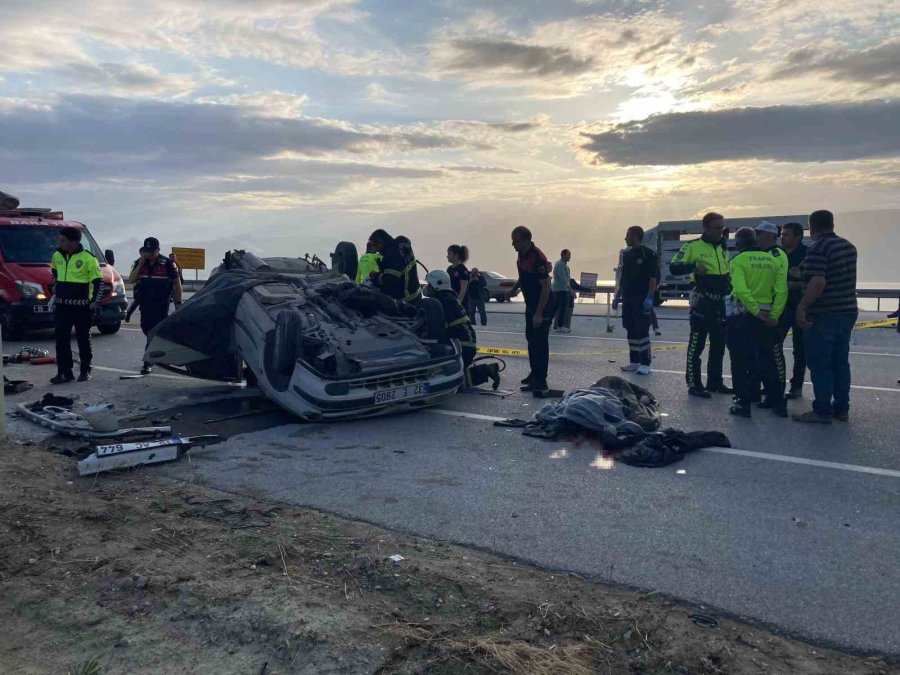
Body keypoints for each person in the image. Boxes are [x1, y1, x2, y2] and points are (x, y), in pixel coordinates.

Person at [793, 210, 858, 424]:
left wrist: (802, 307)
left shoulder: (818, 248)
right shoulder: (848, 246)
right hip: (847, 310)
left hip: (823, 314)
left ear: (812, 227)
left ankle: (821, 410)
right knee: (841, 362)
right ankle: (841, 408)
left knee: (820, 363)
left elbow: (818, 282)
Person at [725, 227, 787, 418]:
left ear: (738, 244)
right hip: (767, 317)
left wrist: (754, 310)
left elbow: (741, 290)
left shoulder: (738, 260)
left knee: (739, 361)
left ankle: (743, 404)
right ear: (756, 241)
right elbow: (782, 291)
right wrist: (774, 315)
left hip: (742, 316)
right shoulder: (772, 260)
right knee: (767, 360)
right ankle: (778, 403)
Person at [670, 212, 733, 398]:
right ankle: (694, 383)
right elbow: (674, 267)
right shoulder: (692, 246)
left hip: (720, 303)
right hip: (702, 303)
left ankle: (715, 382)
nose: (720, 231)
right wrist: (694, 267)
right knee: (696, 345)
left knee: (719, 344)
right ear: (705, 228)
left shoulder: (723, 248)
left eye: (722, 227)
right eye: (716, 228)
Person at [424, 269, 500, 389]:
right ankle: (488, 370)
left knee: (449, 383)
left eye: (429, 285)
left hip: (460, 347)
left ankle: (486, 371)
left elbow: (437, 330)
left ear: (436, 286)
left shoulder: (443, 302)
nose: (427, 288)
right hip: (465, 344)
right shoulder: (450, 298)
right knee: (454, 378)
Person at [49, 226, 102, 384]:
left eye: (63, 240)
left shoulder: (89, 259)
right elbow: (54, 274)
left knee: (83, 339)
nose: (60, 243)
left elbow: (99, 283)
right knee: (61, 340)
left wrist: (94, 302)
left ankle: (85, 370)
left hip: (82, 307)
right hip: (62, 306)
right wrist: (54, 288)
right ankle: (64, 372)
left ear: (74, 242)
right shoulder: (57, 255)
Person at [506, 226, 552, 393]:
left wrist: (539, 313)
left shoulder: (537, 257)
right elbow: (523, 276)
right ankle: (534, 374)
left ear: (525, 240)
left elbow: (546, 287)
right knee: (531, 340)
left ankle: (542, 380)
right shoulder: (522, 255)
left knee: (540, 342)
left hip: (543, 305)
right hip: (531, 304)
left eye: (516, 241)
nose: (513, 244)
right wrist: (513, 289)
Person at [128, 237, 182, 375]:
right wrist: (140, 265)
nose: (148, 254)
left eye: (151, 251)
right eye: (146, 251)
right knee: (147, 330)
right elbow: (132, 279)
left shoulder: (168, 264)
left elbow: (177, 284)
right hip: (145, 304)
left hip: (161, 304)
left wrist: (178, 304)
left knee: (153, 332)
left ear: (158, 250)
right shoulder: (139, 263)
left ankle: (148, 362)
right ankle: (161, 354)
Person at [750, 221, 789, 406]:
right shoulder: (760, 255)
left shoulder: (776, 254)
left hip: (773, 312)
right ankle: (762, 390)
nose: (756, 238)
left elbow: (780, 288)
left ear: (770, 236)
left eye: (760, 234)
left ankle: (777, 394)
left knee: (774, 354)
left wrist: (775, 314)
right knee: (760, 355)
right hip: (760, 313)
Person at [612, 226, 659, 375]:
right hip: (628, 297)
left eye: (628, 236)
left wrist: (649, 297)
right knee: (630, 328)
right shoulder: (627, 255)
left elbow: (653, 278)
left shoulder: (649, 255)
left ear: (635, 237)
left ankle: (646, 362)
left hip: (641, 297)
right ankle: (634, 361)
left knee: (642, 330)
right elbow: (623, 278)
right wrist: (617, 296)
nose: (625, 238)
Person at [780, 222, 809, 398]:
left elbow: (815, 281)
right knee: (774, 346)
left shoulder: (807, 254)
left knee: (800, 350)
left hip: (800, 306)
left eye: (787, 234)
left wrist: (793, 284)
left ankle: (796, 387)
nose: (783, 237)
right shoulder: (778, 254)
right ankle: (774, 383)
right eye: (782, 234)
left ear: (797, 237)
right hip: (781, 306)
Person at [368, 229, 422, 303]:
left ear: (381, 243)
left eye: (375, 246)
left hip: (406, 300)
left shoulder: (390, 256)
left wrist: (376, 276)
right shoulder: (402, 243)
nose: (376, 250)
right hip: (417, 293)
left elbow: (390, 281)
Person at [551, 249, 573, 332]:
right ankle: (553, 324)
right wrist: (570, 289)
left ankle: (560, 325)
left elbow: (567, 278)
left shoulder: (564, 265)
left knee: (562, 307)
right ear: (563, 255)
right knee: (556, 307)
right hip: (559, 290)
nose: (570, 257)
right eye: (568, 255)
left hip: (563, 290)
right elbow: (563, 279)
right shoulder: (560, 264)